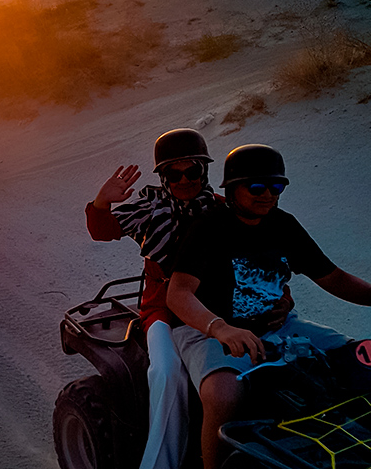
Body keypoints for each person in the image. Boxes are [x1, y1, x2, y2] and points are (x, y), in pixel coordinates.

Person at [86, 129, 292, 469]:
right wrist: (102, 202)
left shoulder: (224, 208)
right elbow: (102, 230)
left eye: (192, 171)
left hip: (219, 306)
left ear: (204, 171)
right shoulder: (150, 210)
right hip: (165, 310)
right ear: (163, 177)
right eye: (173, 173)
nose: (184, 180)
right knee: (167, 374)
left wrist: (283, 297)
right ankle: (161, 463)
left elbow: (263, 256)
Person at [167, 144, 371, 469]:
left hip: (278, 324)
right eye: (257, 187)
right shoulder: (209, 227)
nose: (268, 195)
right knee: (224, 396)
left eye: (276, 187)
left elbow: (333, 277)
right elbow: (178, 293)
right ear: (233, 189)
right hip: (206, 329)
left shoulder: (283, 224)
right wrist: (220, 327)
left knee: (356, 357)